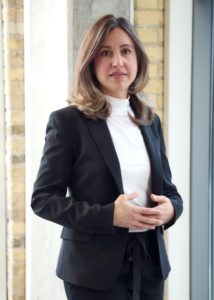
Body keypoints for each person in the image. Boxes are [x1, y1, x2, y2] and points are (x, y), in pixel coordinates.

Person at [31, 14, 183, 300]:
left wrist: (172, 210)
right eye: (105, 53)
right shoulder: (68, 123)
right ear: (91, 62)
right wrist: (109, 216)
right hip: (92, 273)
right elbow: (43, 200)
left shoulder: (150, 121)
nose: (117, 62)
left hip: (149, 267)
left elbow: (170, 191)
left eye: (126, 51)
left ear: (138, 59)